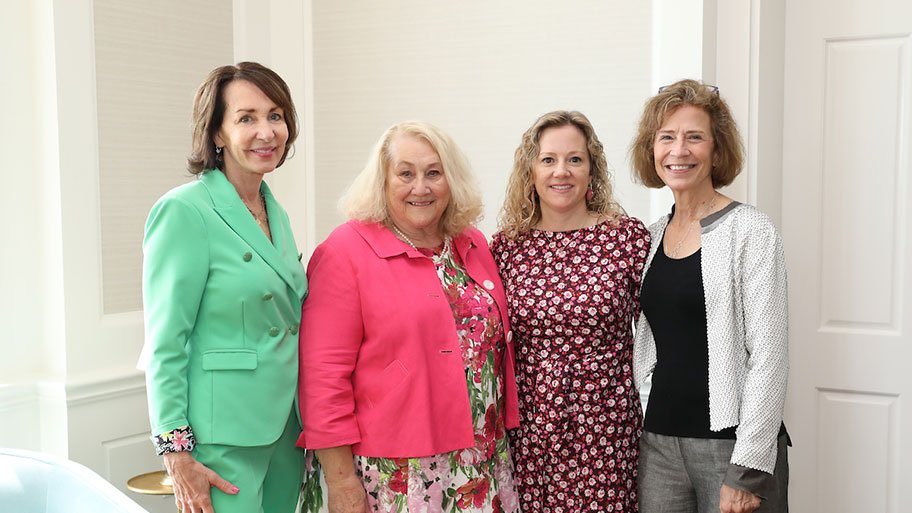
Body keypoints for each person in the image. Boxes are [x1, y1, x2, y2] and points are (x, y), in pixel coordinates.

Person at [297, 121, 521, 513]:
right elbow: (322, 377)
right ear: (381, 181)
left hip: (480, 458)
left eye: (434, 173)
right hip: (393, 473)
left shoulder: (471, 242)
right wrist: (341, 481)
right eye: (405, 173)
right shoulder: (345, 252)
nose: (421, 187)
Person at [141, 62, 308, 513]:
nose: (267, 131)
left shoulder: (277, 213)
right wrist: (176, 453)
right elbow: (165, 342)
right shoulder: (184, 211)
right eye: (247, 117)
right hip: (220, 438)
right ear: (216, 133)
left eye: (276, 115)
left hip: (286, 432)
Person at [629, 79, 790, 513]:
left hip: (730, 447)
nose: (678, 150)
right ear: (652, 150)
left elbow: (769, 355)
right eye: (667, 137)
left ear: (717, 151)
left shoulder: (751, 231)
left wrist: (749, 468)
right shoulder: (649, 237)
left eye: (694, 137)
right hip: (658, 444)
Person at [491, 111, 650, 512]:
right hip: (529, 428)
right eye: (548, 159)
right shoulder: (506, 249)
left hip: (606, 427)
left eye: (575, 159)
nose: (561, 171)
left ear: (591, 169)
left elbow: (658, 333)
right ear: (530, 171)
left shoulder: (625, 239)